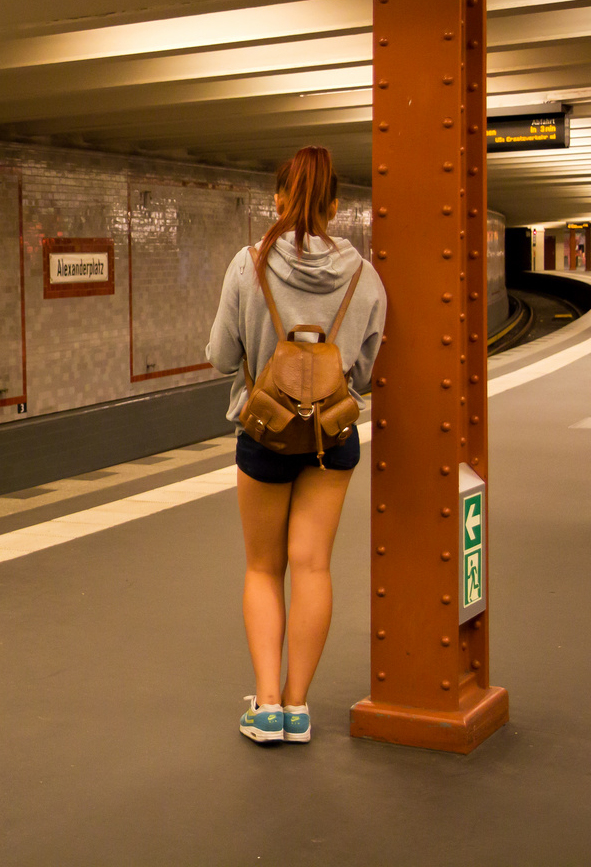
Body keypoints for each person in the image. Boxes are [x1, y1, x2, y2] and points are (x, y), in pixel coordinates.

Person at [205, 145, 386, 746]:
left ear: (278, 199)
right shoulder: (364, 276)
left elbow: (221, 358)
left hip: (263, 434)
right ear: (336, 205)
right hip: (331, 437)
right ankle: (300, 706)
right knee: (313, 566)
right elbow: (362, 369)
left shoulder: (246, 265)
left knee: (264, 567)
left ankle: (267, 708)